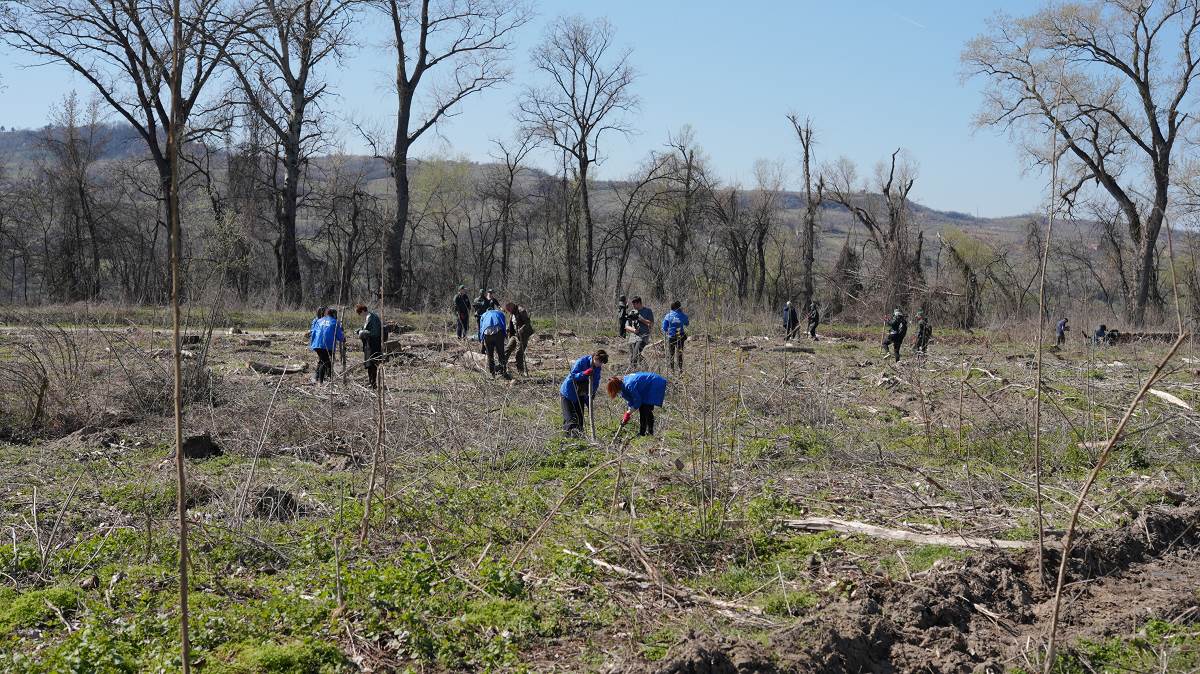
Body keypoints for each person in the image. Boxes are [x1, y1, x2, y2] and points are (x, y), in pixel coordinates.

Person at [559, 350, 608, 437]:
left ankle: (579, 438)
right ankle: (568, 439)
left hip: (581, 393)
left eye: (602, 363)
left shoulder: (597, 368)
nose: (600, 365)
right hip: (568, 393)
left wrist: (591, 396)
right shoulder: (582, 362)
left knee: (580, 419)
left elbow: (595, 383)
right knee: (570, 419)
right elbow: (571, 377)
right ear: (594, 358)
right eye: (599, 362)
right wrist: (584, 373)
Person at [608, 371, 668, 437]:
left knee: (645, 409)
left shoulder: (629, 385)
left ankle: (647, 433)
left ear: (616, 386)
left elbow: (637, 401)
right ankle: (646, 433)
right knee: (644, 409)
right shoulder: (623, 386)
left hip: (654, 383)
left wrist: (629, 412)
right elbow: (631, 400)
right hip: (648, 385)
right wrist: (627, 413)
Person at [309, 307, 344, 384]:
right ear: (334, 315)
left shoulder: (319, 320)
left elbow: (313, 332)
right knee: (324, 362)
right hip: (327, 345)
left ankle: (325, 377)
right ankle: (321, 382)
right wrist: (343, 338)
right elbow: (340, 336)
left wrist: (312, 345)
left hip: (317, 344)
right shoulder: (334, 322)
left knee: (324, 361)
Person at [355, 303, 383, 388]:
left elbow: (375, 332)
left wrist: (363, 332)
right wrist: (360, 330)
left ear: (363, 311)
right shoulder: (369, 317)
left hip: (374, 344)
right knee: (369, 363)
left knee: (373, 363)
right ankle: (370, 381)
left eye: (360, 313)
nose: (360, 316)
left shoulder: (372, 317)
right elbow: (367, 329)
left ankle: (373, 383)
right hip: (369, 344)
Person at [504, 302, 535, 375]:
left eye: (509, 309)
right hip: (514, 335)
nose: (508, 311)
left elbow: (527, 322)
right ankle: (502, 367)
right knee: (507, 350)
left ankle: (520, 371)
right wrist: (508, 329)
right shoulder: (512, 312)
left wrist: (522, 329)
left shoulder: (521, 311)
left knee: (519, 354)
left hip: (523, 335)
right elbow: (512, 323)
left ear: (512, 306)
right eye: (507, 310)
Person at [478, 305, 509, 378]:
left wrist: (481, 340)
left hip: (487, 334)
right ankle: (503, 372)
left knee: (490, 355)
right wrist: (505, 334)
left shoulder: (483, 315)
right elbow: (503, 324)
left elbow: (481, 328)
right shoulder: (500, 313)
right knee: (501, 353)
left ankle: (492, 374)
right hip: (498, 333)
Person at [661, 300, 689, 372]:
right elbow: (687, 323)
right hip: (680, 337)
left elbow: (664, 328)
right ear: (679, 307)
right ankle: (680, 369)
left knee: (671, 353)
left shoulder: (668, 316)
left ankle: (672, 369)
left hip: (671, 337)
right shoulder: (682, 315)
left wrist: (669, 330)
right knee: (679, 353)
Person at [626, 296, 654, 367]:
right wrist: (634, 330)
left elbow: (651, 324)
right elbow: (626, 326)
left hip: (643, 336)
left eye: (634, 304)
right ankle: (636, 371)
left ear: (639, 303)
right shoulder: (632, 312)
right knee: (633, 357)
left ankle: (646, 368)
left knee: (636, 354)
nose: (633, 306)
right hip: (632, 338)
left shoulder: (648, 311)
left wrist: (640, 319)